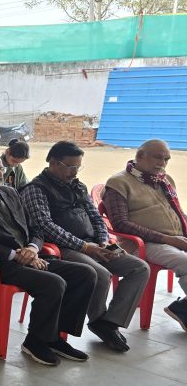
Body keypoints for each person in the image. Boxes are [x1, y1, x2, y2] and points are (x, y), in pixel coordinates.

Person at [0, 148, 95, 366]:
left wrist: (33, 249)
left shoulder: (10, 193)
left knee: (84, 274)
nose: (0, 173)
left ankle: (55, 337)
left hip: (27, 257)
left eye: (1, 168)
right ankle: (35, 342)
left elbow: (36, 228)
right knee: (53, 283)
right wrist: (15, 255)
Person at [22, 141, 149, 352]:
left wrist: (103, 242)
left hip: (94, 244)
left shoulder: (78, 187)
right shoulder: (36, 189)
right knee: (100, 273)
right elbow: (44, 226)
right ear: (53, 163)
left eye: (78, 167)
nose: (74, 172)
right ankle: (98, 319)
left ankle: (110, 323)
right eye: (70, 167)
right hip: (65, 248)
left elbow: (96, 217)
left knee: (139, 268)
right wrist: (85, 247)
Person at [102, 139, 187, 330]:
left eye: (166, 159)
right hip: (144, 244)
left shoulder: (165, 180)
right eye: (157, 157)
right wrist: (169, 239)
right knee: (185, 262)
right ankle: (182, 310)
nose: (162, 163)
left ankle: (183, 309)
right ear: (140, 156)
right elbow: (121, 224)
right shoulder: (118, 183)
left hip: (175, 239)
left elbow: (178, 213)